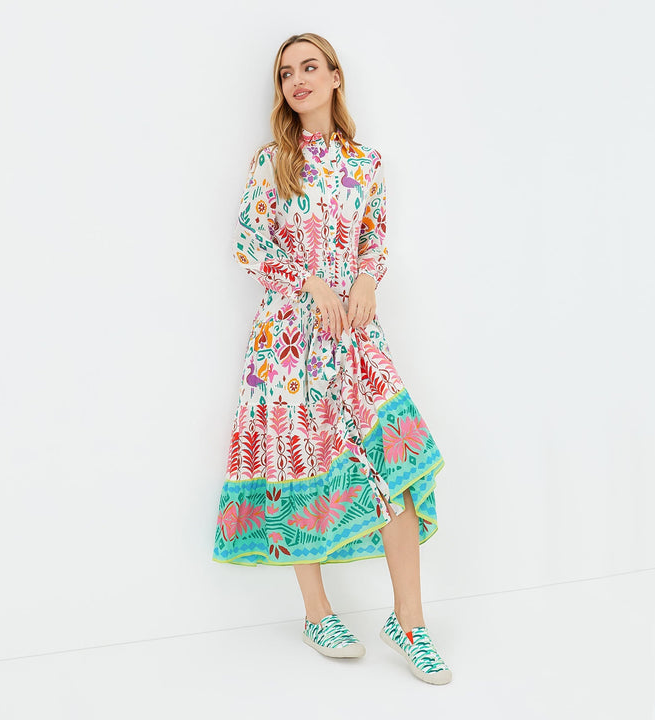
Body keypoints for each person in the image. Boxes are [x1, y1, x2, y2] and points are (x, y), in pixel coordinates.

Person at [212, 32, 452, 685]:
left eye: (310, 67)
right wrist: (309, 281)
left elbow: (374, 239)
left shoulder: (366, 164)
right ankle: (316, 613)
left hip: (354, 337)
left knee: (396, 465)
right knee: (298, 470)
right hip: (287, 343)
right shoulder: (273, 162)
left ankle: (410, 623)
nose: (298, 80)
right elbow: (249, 243)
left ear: (336, 77)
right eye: (286, 73)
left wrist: (368, 279)